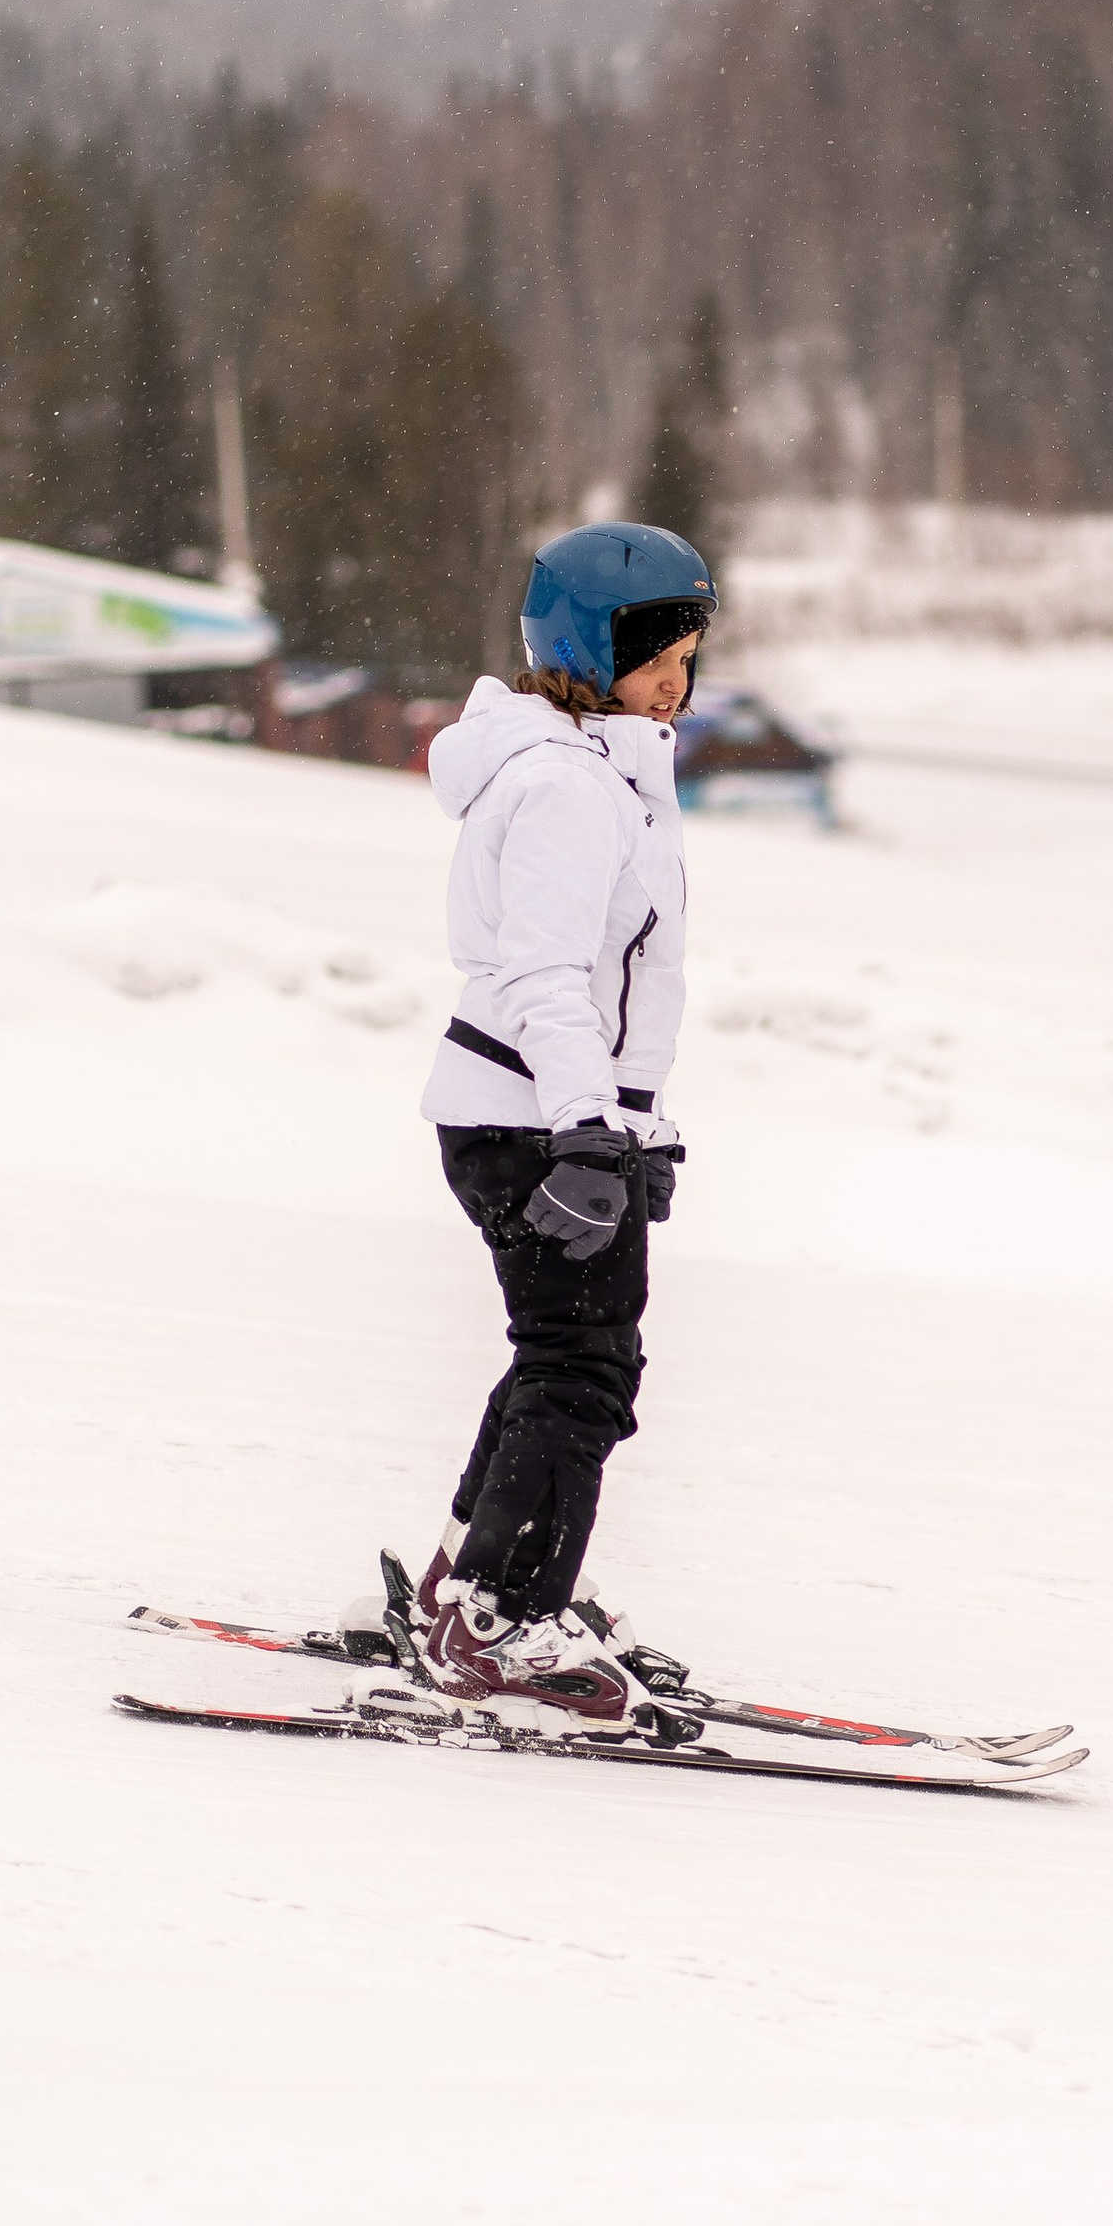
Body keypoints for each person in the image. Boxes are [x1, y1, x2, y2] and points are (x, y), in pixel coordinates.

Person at [410, 518, 717, 1718]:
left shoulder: (596, 769)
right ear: (589, 650)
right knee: (584, 1371)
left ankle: (462, 1585)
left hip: (541, 1114)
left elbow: (611, 983)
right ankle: (498, 1619)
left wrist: (634, 1126)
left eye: (690, 658)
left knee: (565, 1359)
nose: (677, 684)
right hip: (532, 1120)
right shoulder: (565, 787)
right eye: (656, 657)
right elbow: (544, 977)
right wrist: (591, 1129)